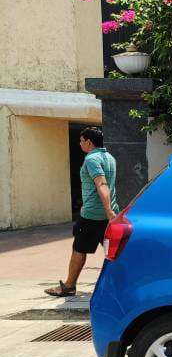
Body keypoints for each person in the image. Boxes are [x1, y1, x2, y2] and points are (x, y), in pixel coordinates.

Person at [45, 127, 118, 297]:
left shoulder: (91, 159)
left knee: (79, 248)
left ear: (89, 142)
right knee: (113, 252)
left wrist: (107, 211)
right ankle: (120, 286)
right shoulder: (110, 158)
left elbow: (102, 184)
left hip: (92, 215)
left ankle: (69, 286)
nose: (79, 143)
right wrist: (111, 213)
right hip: (111, 214)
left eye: (81, 140)